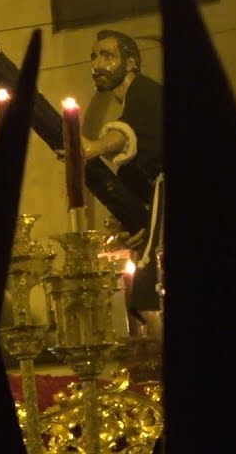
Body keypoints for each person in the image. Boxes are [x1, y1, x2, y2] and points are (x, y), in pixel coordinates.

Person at [80, 29, 165, 335]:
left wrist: (93, 147)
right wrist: (137, 224)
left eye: (107, 55)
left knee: (150, 296)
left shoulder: (144, 92)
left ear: (130, 62)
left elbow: (127, 132)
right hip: (162, 200)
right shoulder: (139, 101)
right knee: (148, 294)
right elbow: (137, 165)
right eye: (94, 56)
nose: (97, 63)